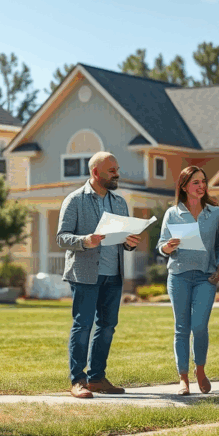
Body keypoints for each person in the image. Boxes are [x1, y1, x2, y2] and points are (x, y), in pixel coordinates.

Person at [56, 151, 141, 399]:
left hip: (113, 274)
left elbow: (123, 240)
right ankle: (78, 380)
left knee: (107, 327)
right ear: (95, 172)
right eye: (112, 170)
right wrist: (85, 241)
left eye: (117, 169)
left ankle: (96, 378)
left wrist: (130, 243)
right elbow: (61, 237)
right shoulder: (75, 200)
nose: (117, 174)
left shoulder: (120, 203)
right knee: (83, 325)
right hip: (84, 274)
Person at [156, 166, 219, 396]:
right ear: (184, 186)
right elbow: (162, 245)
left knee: (200, 326)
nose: (201, 186)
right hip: (179, 276)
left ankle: (200, 370)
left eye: (203, 181)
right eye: (196, 182)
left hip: (206, 276)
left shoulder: (215, 213)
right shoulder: (172, 213)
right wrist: (168, 247)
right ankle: (183, 378)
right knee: (182, 328)